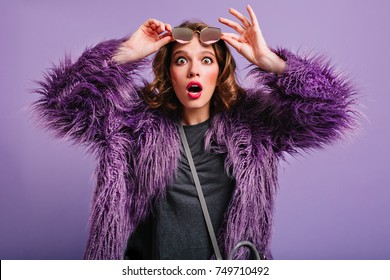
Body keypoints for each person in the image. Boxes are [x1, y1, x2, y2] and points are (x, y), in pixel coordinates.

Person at [32, 5, 358, 260]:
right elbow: (62, 103)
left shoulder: (256, 127)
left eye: (206, 59)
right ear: (168, 72)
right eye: (181, 60)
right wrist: (127, 53)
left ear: (220, 71)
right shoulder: (128, 125)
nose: (194, 69)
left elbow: (331, 109)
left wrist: (269, 61)